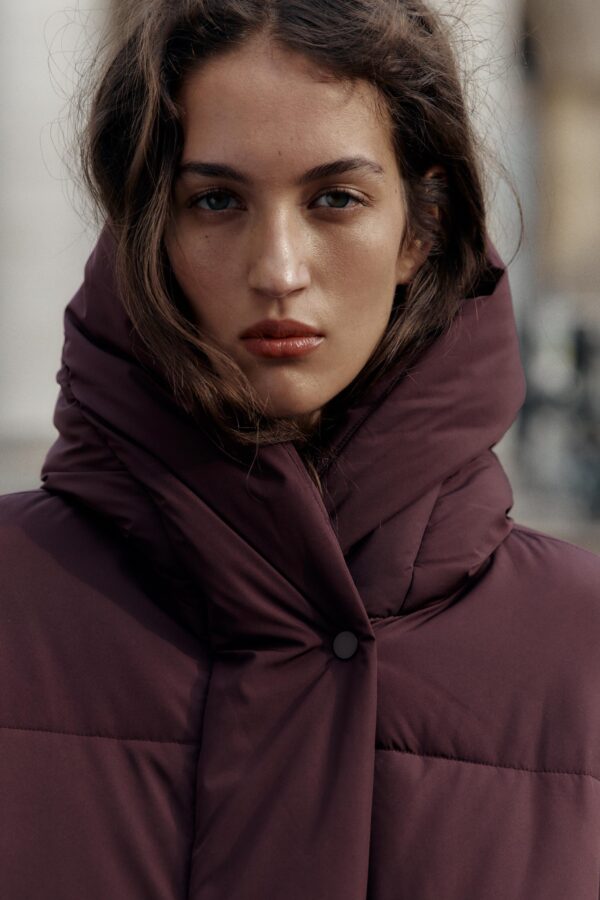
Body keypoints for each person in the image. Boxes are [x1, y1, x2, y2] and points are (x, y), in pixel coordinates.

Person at [1, 1, 599, 897]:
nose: (278, 269)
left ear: (423, 226)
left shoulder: (584, 650)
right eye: (216, 201)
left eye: (335, 199)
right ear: (150, 228)